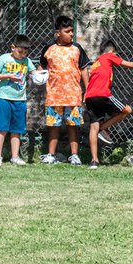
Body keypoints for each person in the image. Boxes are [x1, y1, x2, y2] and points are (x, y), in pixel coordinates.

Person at [84, 37, 133, 169]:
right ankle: (103, 128)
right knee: (127, 110)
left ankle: (94, 161)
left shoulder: (96, 62)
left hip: (89, 97)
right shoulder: (109, 56)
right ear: (113, 52)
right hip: (103, 94)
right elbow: (128, 64)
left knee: (92, 128)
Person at [38, 16, 91, 165]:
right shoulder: (49, 49)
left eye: (72, 31)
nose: (71, 34)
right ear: (57, 32)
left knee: (73, 125)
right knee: (54, 125)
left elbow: (83, 69)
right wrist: (37, 74)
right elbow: (41, 66)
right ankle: (51, 155)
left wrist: (87, 90)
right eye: (67, 31)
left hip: (73, 95)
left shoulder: (77, 49)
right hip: (54, 95)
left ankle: (74, 155)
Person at [0, 34, 36, 167]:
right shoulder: (4, 58)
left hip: (20, 99)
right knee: (2, 127)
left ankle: (15, 157)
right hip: (4, 98)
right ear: (13, 47)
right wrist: (8, 76)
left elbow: (33, 73)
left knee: (17, 129)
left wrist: (40, 75)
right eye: (20, 52)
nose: (22, 55)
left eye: (25, 52)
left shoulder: (27, 61)